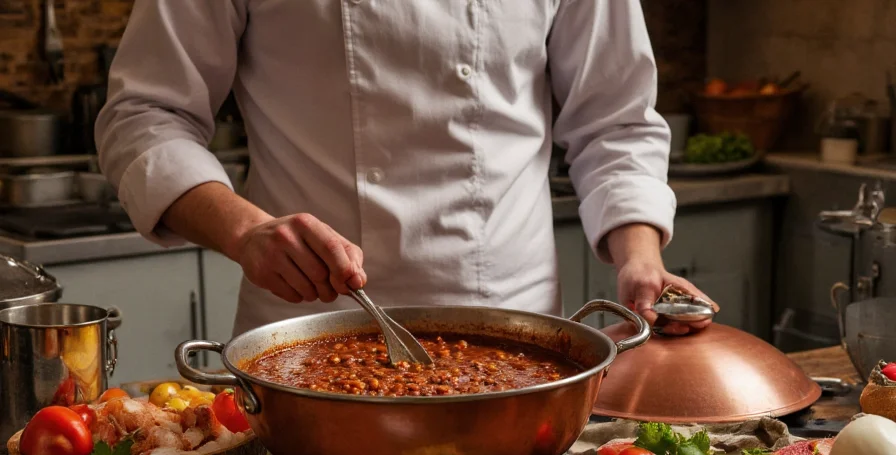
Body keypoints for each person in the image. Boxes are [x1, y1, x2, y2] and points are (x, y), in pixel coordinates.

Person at [96, 0, 715, 338]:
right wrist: (244, 230)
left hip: (513, 333)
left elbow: (614, 117)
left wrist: (640, 256)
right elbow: (145, 113)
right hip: (304, 331)